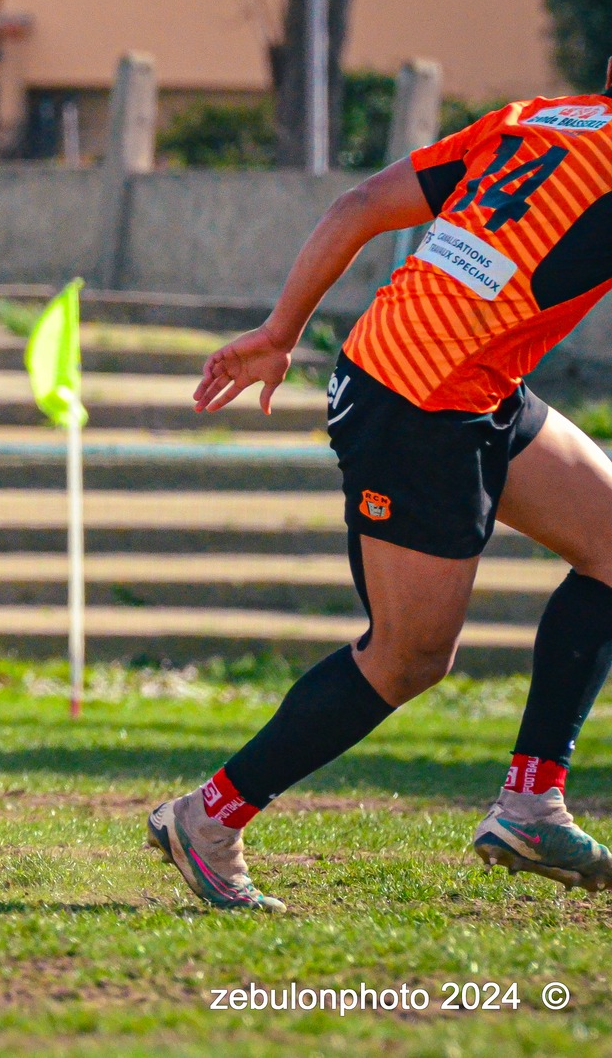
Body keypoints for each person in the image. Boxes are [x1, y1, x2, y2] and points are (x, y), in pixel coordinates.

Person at [149, 67, 612, 911]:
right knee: (408, 657)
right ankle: (207, 820)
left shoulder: (532, 119)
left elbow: (359, 205)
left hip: (458, 377)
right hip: (421, 398)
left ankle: (531, 802)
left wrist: (280, 331)